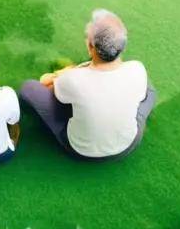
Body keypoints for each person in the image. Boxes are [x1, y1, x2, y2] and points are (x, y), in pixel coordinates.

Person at [19, 9, 156, 160]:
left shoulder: (72, 79)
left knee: (28, 87)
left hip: (79, 149)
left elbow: (46, 82)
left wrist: (67, 72)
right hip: (127, 146)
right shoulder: (137, 69)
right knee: (149, 90)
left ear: (91, 47)